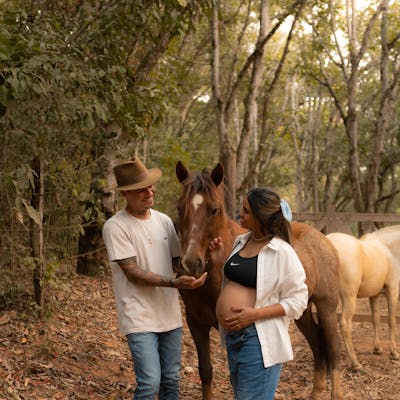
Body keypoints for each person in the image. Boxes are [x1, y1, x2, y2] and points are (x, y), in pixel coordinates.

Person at [102, 156, 207, 400]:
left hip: (169, 314)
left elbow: (176, 263)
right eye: (141, 189)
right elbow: (132, 272)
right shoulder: (116, 226)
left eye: (150, 186)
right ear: (125, 194)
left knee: (171, 380)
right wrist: (173, 282)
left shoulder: (164, 221)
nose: (149, 191)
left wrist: (205, 256)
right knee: (150, 383)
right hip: (138, 315)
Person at [209, 187, 308, 400]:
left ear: (260, 216)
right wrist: (218, 259)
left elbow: (299, 300)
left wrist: (254, 314)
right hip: (234, 337)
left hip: (258, 339)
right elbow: (235, 282)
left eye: (245, 211)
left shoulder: (282, 251)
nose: (240, 214)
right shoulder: (241, 242)